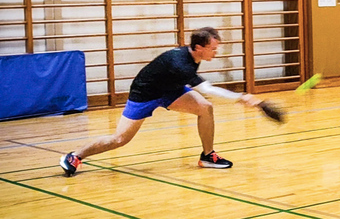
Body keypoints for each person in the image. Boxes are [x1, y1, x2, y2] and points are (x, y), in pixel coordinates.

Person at [60, 27, 261, 175]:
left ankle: (208, 156)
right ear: (199, 47)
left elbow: (201, 91)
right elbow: (206, 88)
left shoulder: (192, 57)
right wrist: (241, 98)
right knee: (120, 139)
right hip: (145, 94)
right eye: (213, 49)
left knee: (205, 108)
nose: (216, 53)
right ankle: (75, 156)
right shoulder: (181, 65)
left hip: (171, 90)